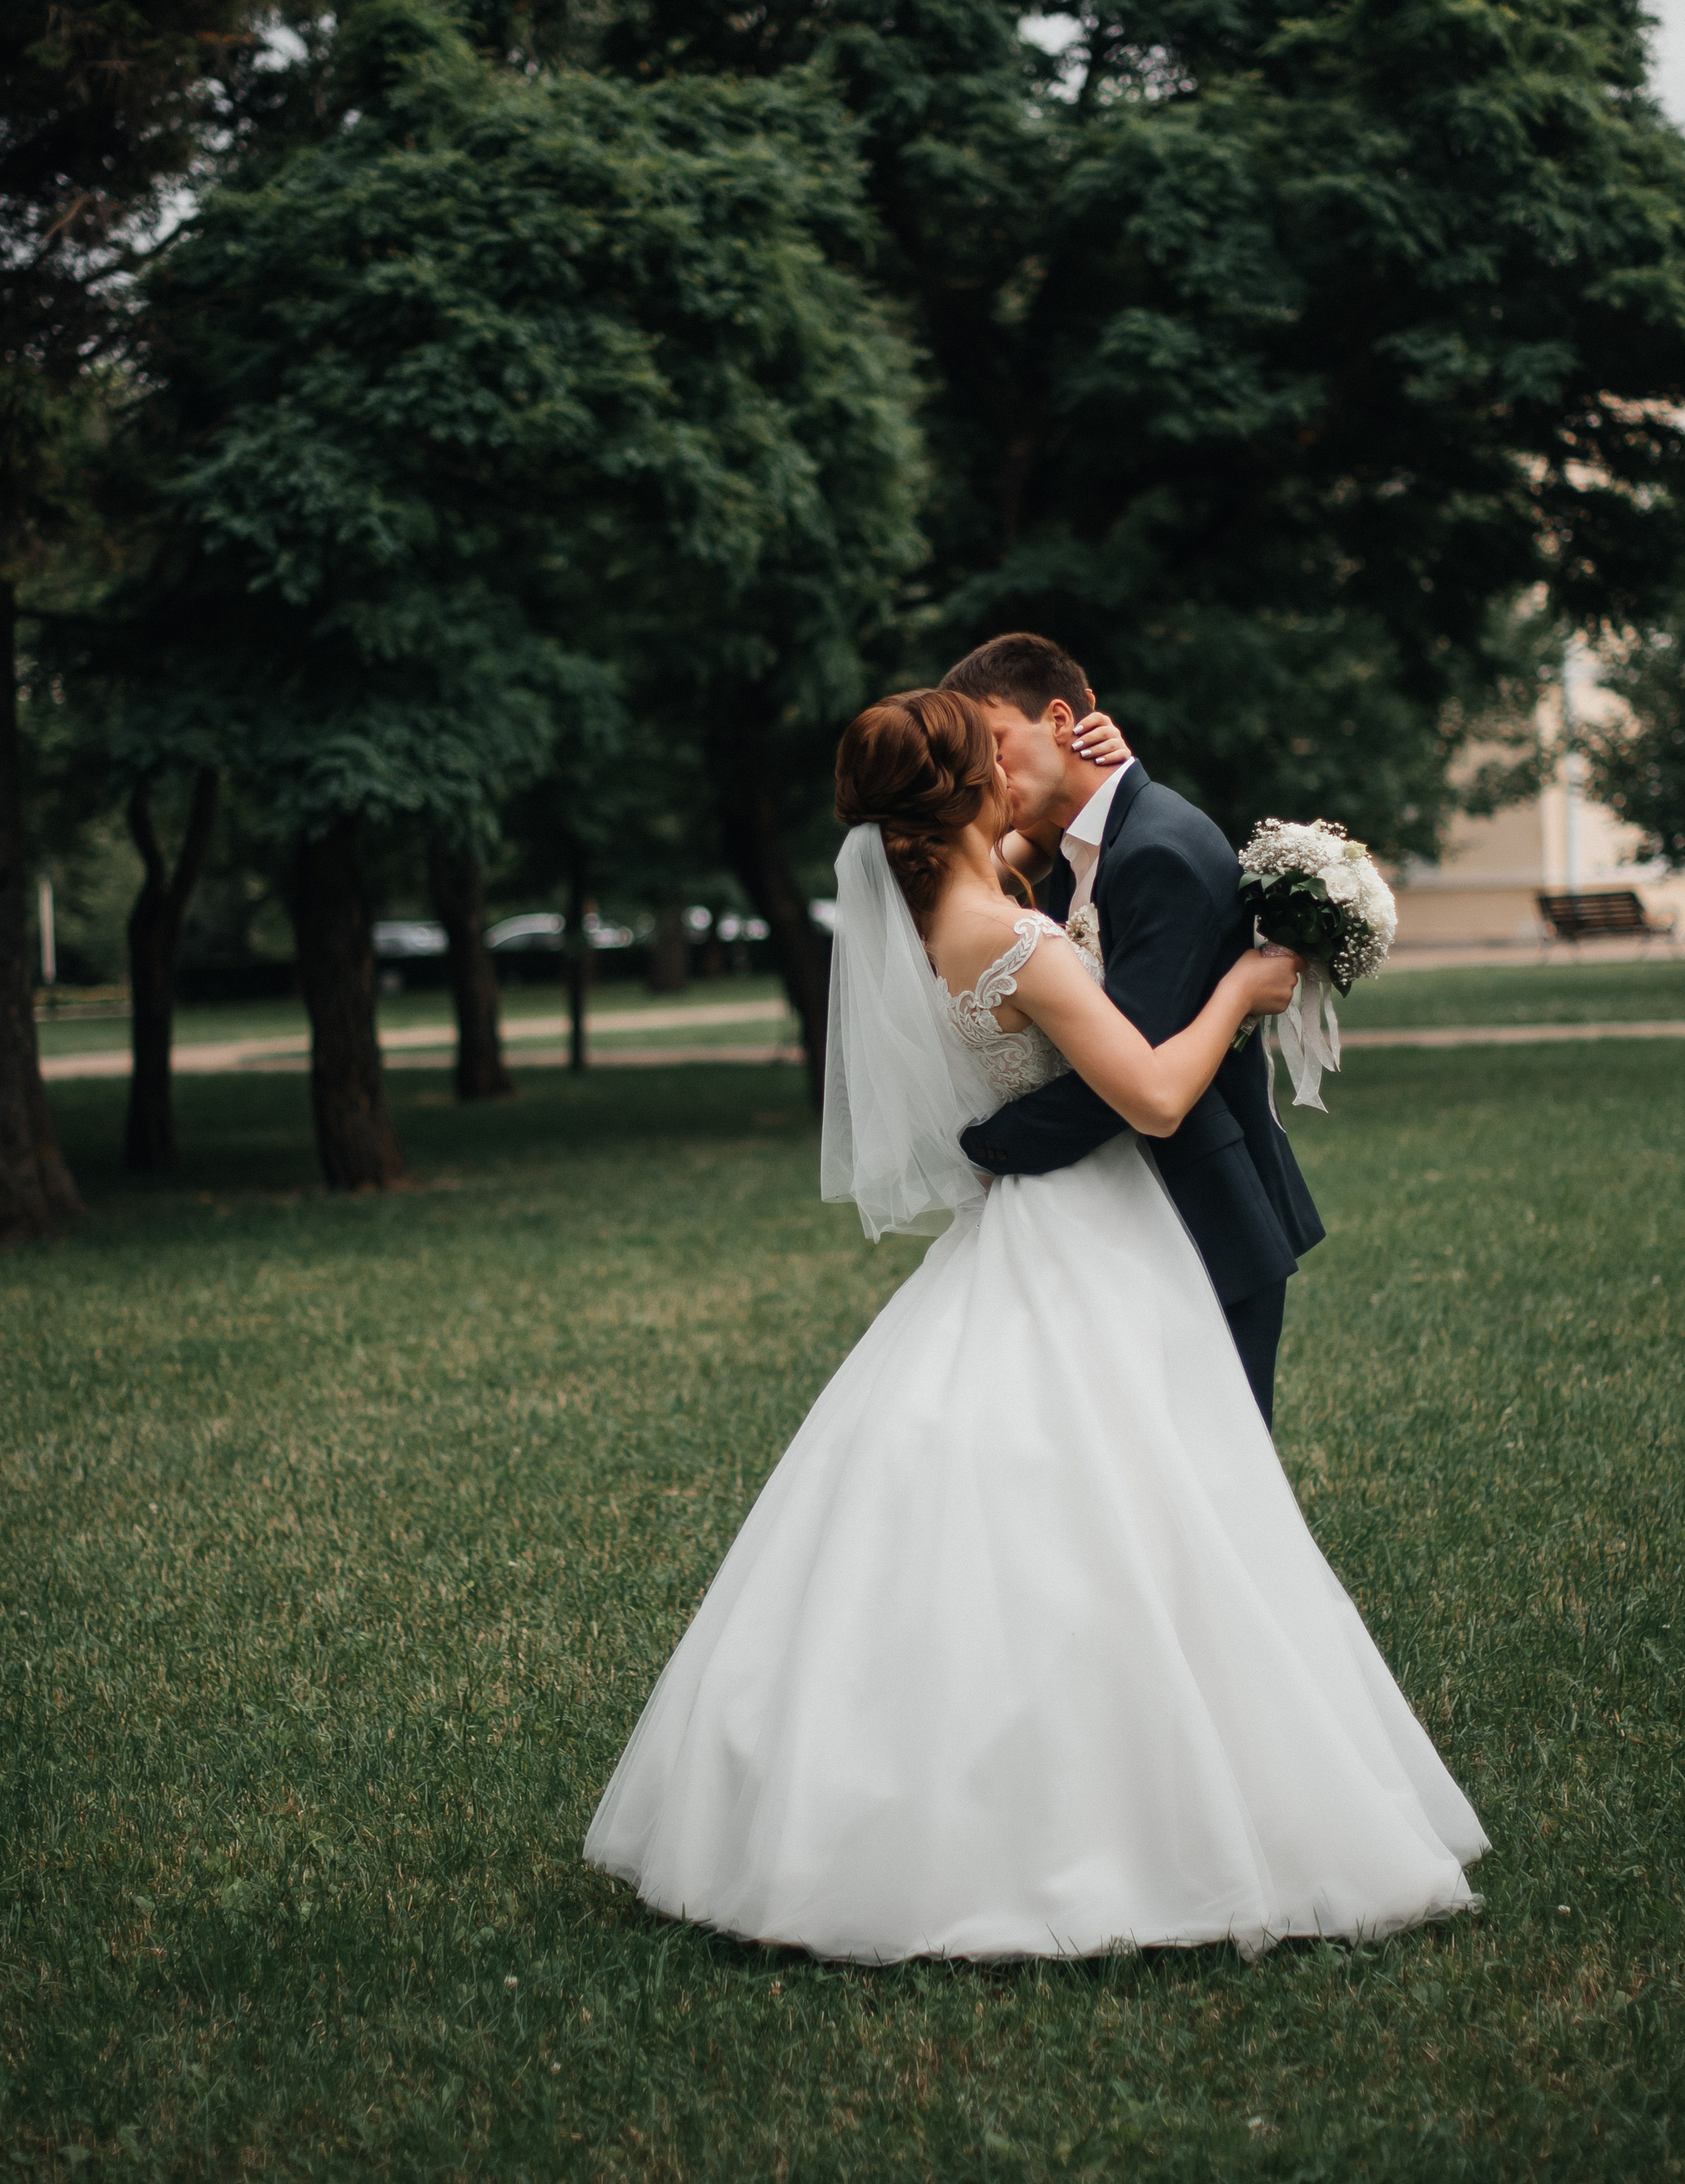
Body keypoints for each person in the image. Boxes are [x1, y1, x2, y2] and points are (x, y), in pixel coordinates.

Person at [584, 688, 1487, 1965]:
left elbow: (1030, 853)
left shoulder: (930, 918)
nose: (1021, 770)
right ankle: (1145, 1813)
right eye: (994, 757)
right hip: (1093, 1230)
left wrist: (1112, 769)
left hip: (1010, 1238)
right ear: (968, 793)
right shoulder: (1023, 944)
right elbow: (1156, 1095)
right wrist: (1242, 986)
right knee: (1152, 1503)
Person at [942, 632, 1321, 1435]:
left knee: (1213, 1467)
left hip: (1204, 1209)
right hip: (1131, 1213)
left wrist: (986, 1145)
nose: (987, 772)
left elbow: (1128, 1080)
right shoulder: (1083, 838)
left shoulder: (1155, 852)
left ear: (1059, 721)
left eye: (996, 743)